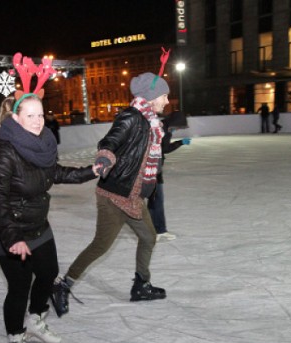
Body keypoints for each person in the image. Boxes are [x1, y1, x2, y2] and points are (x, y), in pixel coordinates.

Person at [0, 89, 99, 343]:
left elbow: (55, 173)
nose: (37, 121)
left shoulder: (42, 145)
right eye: (30, 116)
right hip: (6, 229)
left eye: (41, 115)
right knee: (20, 286)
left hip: (36, 223)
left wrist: (92, 171)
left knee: (48, 273)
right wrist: (13, 238)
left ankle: (36, 320)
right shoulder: (6, 150)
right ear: (16, 118)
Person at [52, 71, 171, 318]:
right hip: (115, 195)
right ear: (151, 97)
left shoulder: (151, 123)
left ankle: (141, 285)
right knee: (101, 245)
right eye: (164, 96)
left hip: (134, 196)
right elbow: (110, 141)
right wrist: (105, 157)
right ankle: (63, 285)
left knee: (149, 238)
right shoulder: (131, 117)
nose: (167, 102)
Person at [149, 111, 190, 242]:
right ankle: (155, 230)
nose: (179, 129)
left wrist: (180, 143)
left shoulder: (166, 129)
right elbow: (160, 148)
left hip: (156, 168)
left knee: (156, 201)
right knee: (155, 201)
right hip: (151, 169)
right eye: (179, 126)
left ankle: (159, 230)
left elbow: (164, 148)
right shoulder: (162, 129)